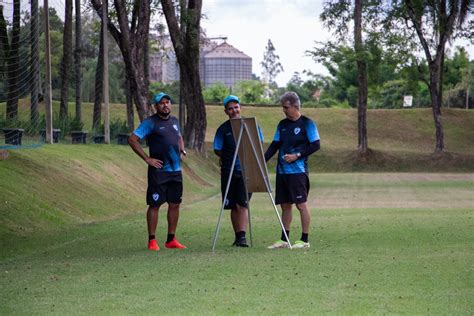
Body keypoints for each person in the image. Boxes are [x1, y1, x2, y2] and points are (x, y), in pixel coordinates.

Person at [128, 92, 187, 251]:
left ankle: (171, 239)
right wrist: (147, 158)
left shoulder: (174, 121)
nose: (165, 105)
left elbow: (179, 137)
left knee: (175, 204)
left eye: (167, 102)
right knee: (155, 204)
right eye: (161, 103)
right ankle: (152, 240)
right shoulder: (150, 123)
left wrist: (182, 151)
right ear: (156, 106)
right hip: (159, 172)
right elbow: (132, 139)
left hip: (176, 172)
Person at [264, 92, 320, 249]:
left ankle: (304, 240)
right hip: (282, 172)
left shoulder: (307, 123)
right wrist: (261, 161)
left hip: (298, 172)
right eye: (283, 107)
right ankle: (284, 239)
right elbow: (274, 145)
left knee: (301, 205)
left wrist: (297, 155)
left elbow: (316, 145)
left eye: (286, 107)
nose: (284, 110)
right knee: (285, 205)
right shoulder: (282, 125)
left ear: (295, 106)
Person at [213, 95, 264, 247]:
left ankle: (242, 238)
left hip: (246, 171)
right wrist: (229, 157)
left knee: (242, 204)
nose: (234, 110)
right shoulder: (223, 129)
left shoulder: (251, 125)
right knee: (232, 205)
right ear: (226, 111)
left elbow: (258, 145)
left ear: (240, 108)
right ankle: (238, 236)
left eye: (236, 107)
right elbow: (217, 149)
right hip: (228, 171)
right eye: (230, 108)